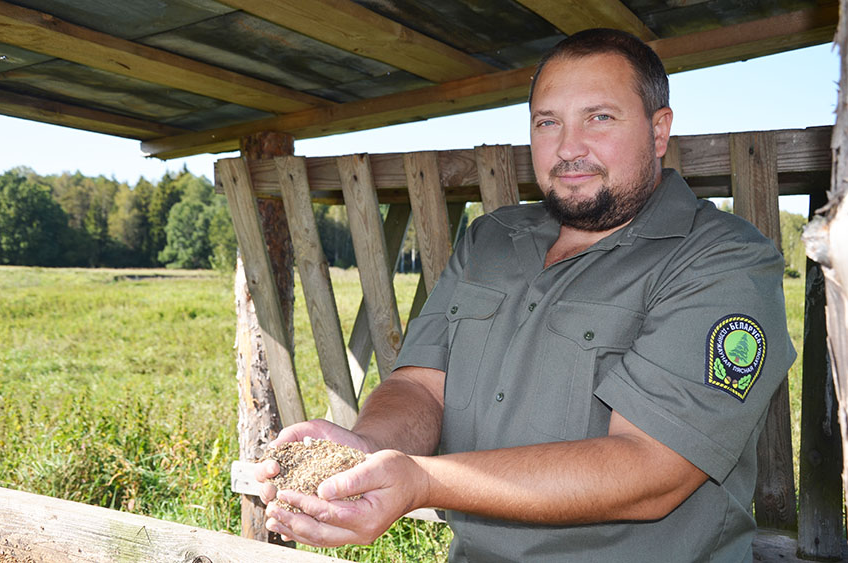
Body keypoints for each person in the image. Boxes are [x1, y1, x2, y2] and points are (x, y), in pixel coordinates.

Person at [256, 28, 796, 562]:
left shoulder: (722, 262)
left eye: (599, 117)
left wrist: (421, 480)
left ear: (659, 131)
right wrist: (368, 448)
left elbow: (652, 469)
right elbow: (421, 385)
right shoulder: (490, 240)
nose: (568, 148)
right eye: (547, 122)